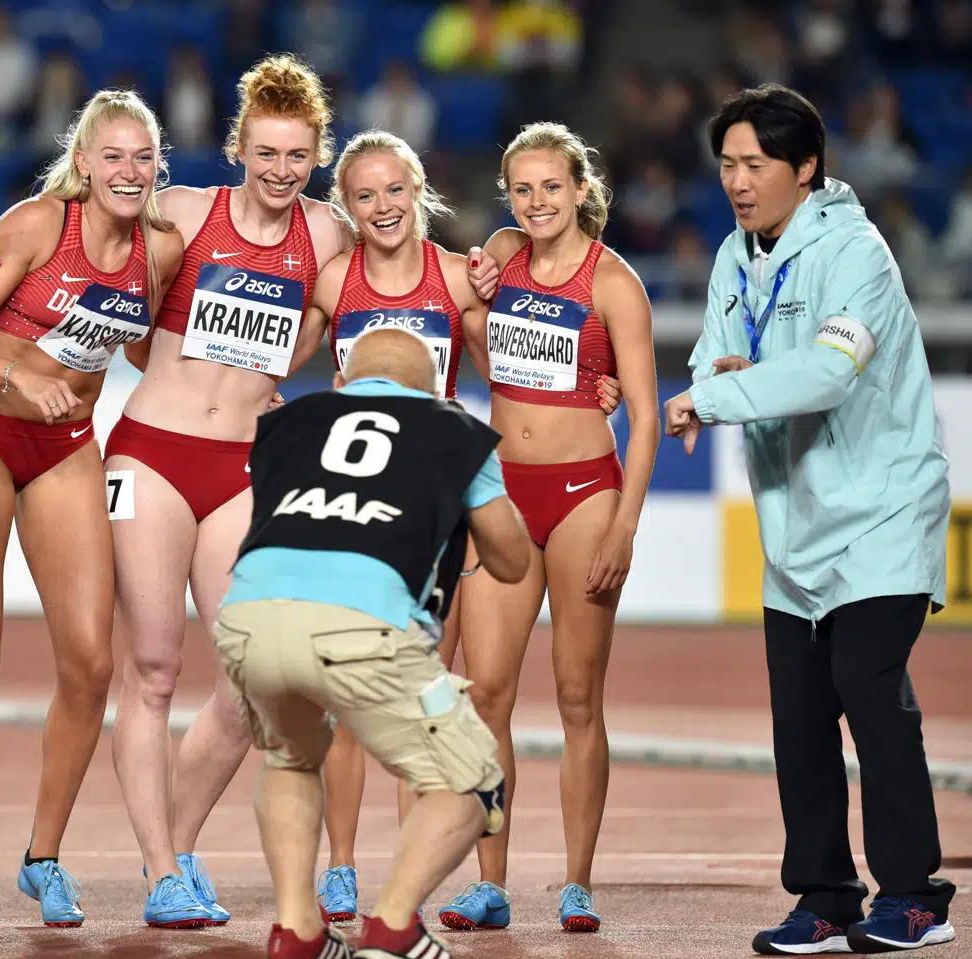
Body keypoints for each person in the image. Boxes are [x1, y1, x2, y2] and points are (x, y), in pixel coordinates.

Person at [0, 54, 355, 927]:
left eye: (299, 156)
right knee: (156, 668)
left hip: (243, 463)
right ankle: (164, 873)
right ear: (237, 148)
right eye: (267, 153)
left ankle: (174, 842)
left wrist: (490, 270)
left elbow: (399, 265)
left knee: (257, 673)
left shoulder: (328, 234)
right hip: (151, 457)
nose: (282, 171)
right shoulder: (177, 213)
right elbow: (79, 236)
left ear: (317, 156)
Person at [296, 129, 626, 923]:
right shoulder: (335, 280)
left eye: (395, 191)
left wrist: (595, 384)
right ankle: (346, 866)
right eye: (365, 195)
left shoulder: (461, 277)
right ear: (348, 205)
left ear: (419, 193)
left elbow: (514, 361)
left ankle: (451, 882)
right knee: (362, 694)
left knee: (468, 694)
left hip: (452, 505)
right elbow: (271, 362)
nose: (382, 206)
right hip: (362, 500)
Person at [664, 83, 957, 955]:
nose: (738, 181)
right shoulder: (731, 254)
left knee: (871, 694)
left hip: (883, 511)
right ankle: (826, 896)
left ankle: (915, 897)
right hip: (795, 525)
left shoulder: (857, 252)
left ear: (807, 168)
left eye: (755, 164)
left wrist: (720, 390)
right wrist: (723, 375)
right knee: (799, 716)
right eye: (727, 165)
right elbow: (715, 351)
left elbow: (827, 374)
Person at [0, 89, 183, 932]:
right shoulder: (37, 225)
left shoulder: (160, 252)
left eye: (142, 157)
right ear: (83, 163)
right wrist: (15, 375)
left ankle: (42, 856)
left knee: (90, 662)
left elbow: (144, 342)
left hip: (68, 445)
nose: (128, 171)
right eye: (112, 156)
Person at [213, 327, 532, 959]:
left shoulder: (288, 423)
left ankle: (297, 929)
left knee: (290, 757)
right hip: (361, 624)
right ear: (436, 391)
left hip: (248, 617)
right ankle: (391, 926)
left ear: (340, 384)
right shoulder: (454, 430)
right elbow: (514, 561)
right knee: (473, 786)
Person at [455, 121, 660, 933]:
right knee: (486, 696)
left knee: (578, 696)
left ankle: (577, 882)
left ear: (582, 190)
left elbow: (643, 418)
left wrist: (624, 526)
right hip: (502, 486)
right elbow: (491, 360)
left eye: (551, 187)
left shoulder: (614, 283)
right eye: (522, 189)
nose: (536, 202)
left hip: (585, 495)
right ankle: (490, 881)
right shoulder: (500, 261)